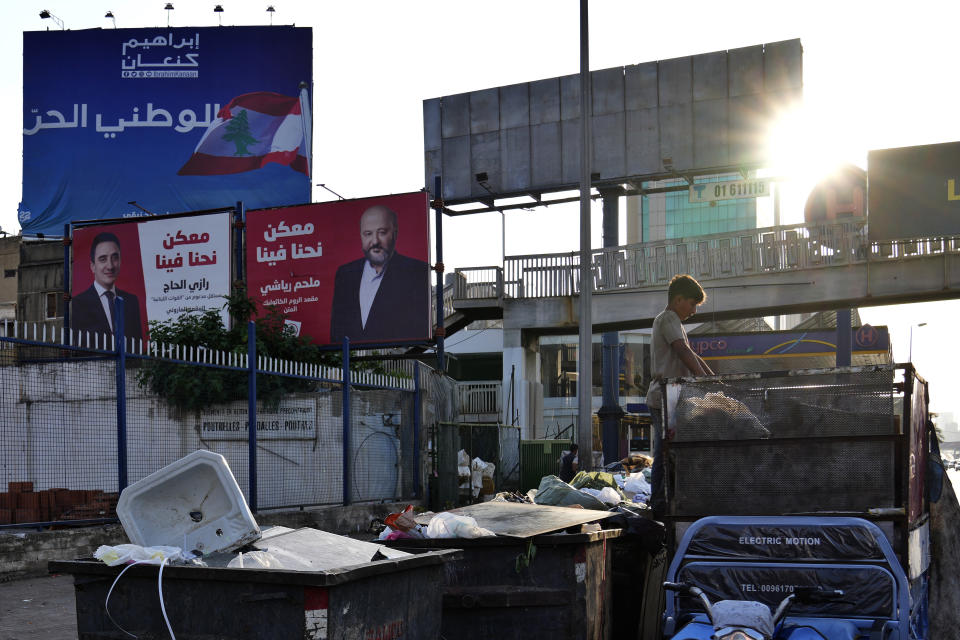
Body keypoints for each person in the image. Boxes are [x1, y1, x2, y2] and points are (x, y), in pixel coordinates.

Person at [647, 274, 714, 517]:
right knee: (665, 453)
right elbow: (683, 351)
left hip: (672, 397)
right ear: (678, 300)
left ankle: (671, 502)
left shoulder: (674, 321)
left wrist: (712, 379)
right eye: (692, 304)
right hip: (663, 397)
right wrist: (706, 381)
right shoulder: (668, 318)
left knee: (673, 452)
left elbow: (692, 356)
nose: (694, 310)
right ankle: (660, 507)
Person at [329, 205, 430, 343]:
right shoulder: (345, 274)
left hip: (393, 358)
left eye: (382, 232)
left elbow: (417, 326)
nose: (375, 241)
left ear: (395, 233)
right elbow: (337, 330)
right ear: (361, 236)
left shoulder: (416, 272)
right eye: (368, 234)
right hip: (349, 361)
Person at [71, 232, 144, 343]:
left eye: (114, 258)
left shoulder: (131, 301)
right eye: (103, 259)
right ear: (93, 266)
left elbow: (136, 345)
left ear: (120, 261)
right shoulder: (78, 304)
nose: (110, 266)